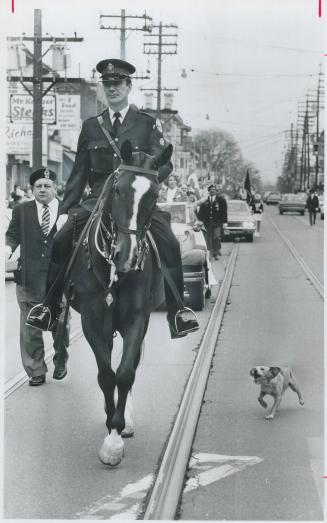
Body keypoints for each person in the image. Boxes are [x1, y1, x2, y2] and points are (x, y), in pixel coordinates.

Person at [26, 58, 199, 339]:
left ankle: (177, 312)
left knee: (168, 239)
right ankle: (49, 308)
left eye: (117, 83)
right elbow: (79, 175)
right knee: (60, 240)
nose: (112, 88)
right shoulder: (91, 126)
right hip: (97, 200)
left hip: (136, 201)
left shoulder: (147, 124)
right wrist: (63, 213)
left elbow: (164, 163)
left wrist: (146, 182)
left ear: (129, 86)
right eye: (107, 84)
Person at [5, 168, 69, 386]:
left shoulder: (67, 210)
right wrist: (7, 248)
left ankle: (61, 355)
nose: (42, 190)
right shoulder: (21, 210)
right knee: (31, 325)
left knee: (61, 322)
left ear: (55, 188)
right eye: (38, 186)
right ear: (32, 189)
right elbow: (12, 234)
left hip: (58, 278)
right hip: (28, 276)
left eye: (47, 186)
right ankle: (36, 370)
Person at [196, 184, 228, 260]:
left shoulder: (221, 200)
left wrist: (224, 222)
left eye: (214, 189)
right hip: (207, 222)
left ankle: (215, 253)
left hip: (217, 222)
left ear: (216, 191)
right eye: (211, 190)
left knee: (216, 237)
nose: (212, 191)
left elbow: (224, 212)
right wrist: (200, 221)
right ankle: (209, 253)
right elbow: (201, 212)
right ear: (208, 191)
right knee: (208, 238)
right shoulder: (205, 200)